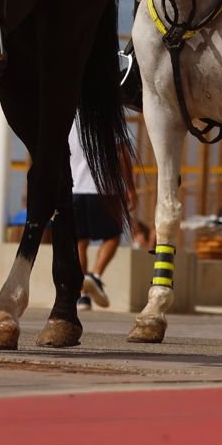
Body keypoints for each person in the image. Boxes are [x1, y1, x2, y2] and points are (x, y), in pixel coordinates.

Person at [70, 120, 126, 310]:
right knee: (113, 236)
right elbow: (122, 154)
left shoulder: (68, 119)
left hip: (75, 188)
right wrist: (129, 187)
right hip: (103, 188)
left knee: (80, 242)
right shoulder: (105, 117)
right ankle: (95, 275)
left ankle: (82, 295)